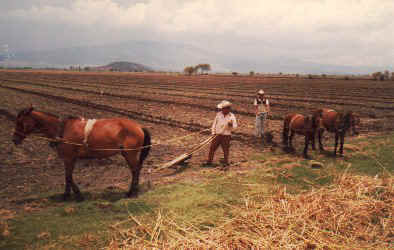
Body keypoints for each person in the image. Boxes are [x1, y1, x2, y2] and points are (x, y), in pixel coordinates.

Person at [207, 100, 238, 168]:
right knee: (212, 148)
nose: (222, 110)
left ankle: (226, 163)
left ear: (228, 109)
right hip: (217, 135)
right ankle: (209, 162)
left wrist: (231, 125)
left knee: (225, 149)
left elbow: (235, 128)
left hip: (226, 136)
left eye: (224, 108)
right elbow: (214, 124)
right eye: (222, 108)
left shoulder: (231, 116)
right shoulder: (218, 114)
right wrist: (213, 133)